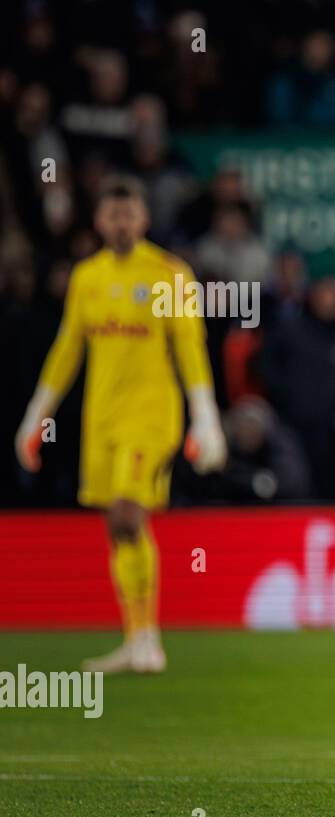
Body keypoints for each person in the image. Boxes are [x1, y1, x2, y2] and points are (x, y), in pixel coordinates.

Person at [14, 175, 226, 673]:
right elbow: (68, 349)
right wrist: (34, 418)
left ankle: (150, 640)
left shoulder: (171, 274)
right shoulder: (87, 277)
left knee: (130, 513)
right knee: (115, 525)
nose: (121, 222)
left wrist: (207, 418)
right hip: (101, 419)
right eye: (112, 214)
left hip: (153, 415)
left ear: (144, 218)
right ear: (99, 220)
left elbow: (191, 350)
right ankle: (135, 637)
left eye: (129, 213)